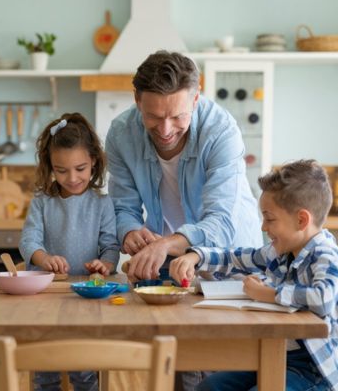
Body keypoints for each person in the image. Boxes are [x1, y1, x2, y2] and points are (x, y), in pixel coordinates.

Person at [170, 159, 338, 391]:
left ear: (301, 220)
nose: (263, 227)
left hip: (318, 372)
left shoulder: (327, 257)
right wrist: (196, 256)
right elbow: (239, 257)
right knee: (209, 387)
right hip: (279, 355)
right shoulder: (283, 251)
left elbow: (322, 298)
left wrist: (268, 294)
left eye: (269, 219)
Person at [105, 50, 263, 282]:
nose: (165, 130)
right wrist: (129, 230)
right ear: (137, 100)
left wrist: (166, 244)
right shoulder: (121, 134)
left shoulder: (221, 131)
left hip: (231, 262)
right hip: (169, 261)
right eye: (154, 117)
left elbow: (221, 219)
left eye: (177, 116)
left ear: (195, 99)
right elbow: (123, 207)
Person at [19, 112, 120, 391]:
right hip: (46, 296)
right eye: (61, 170)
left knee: (85, 366)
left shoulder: (102, 202)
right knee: (45, 365)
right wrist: (45, 259)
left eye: (80, 168)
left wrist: (105, 265)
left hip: (86, 296)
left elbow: (111, 246)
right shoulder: (42, 200)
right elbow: (29, 240)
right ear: (50, 166)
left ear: (94, 162)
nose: (72, 178)